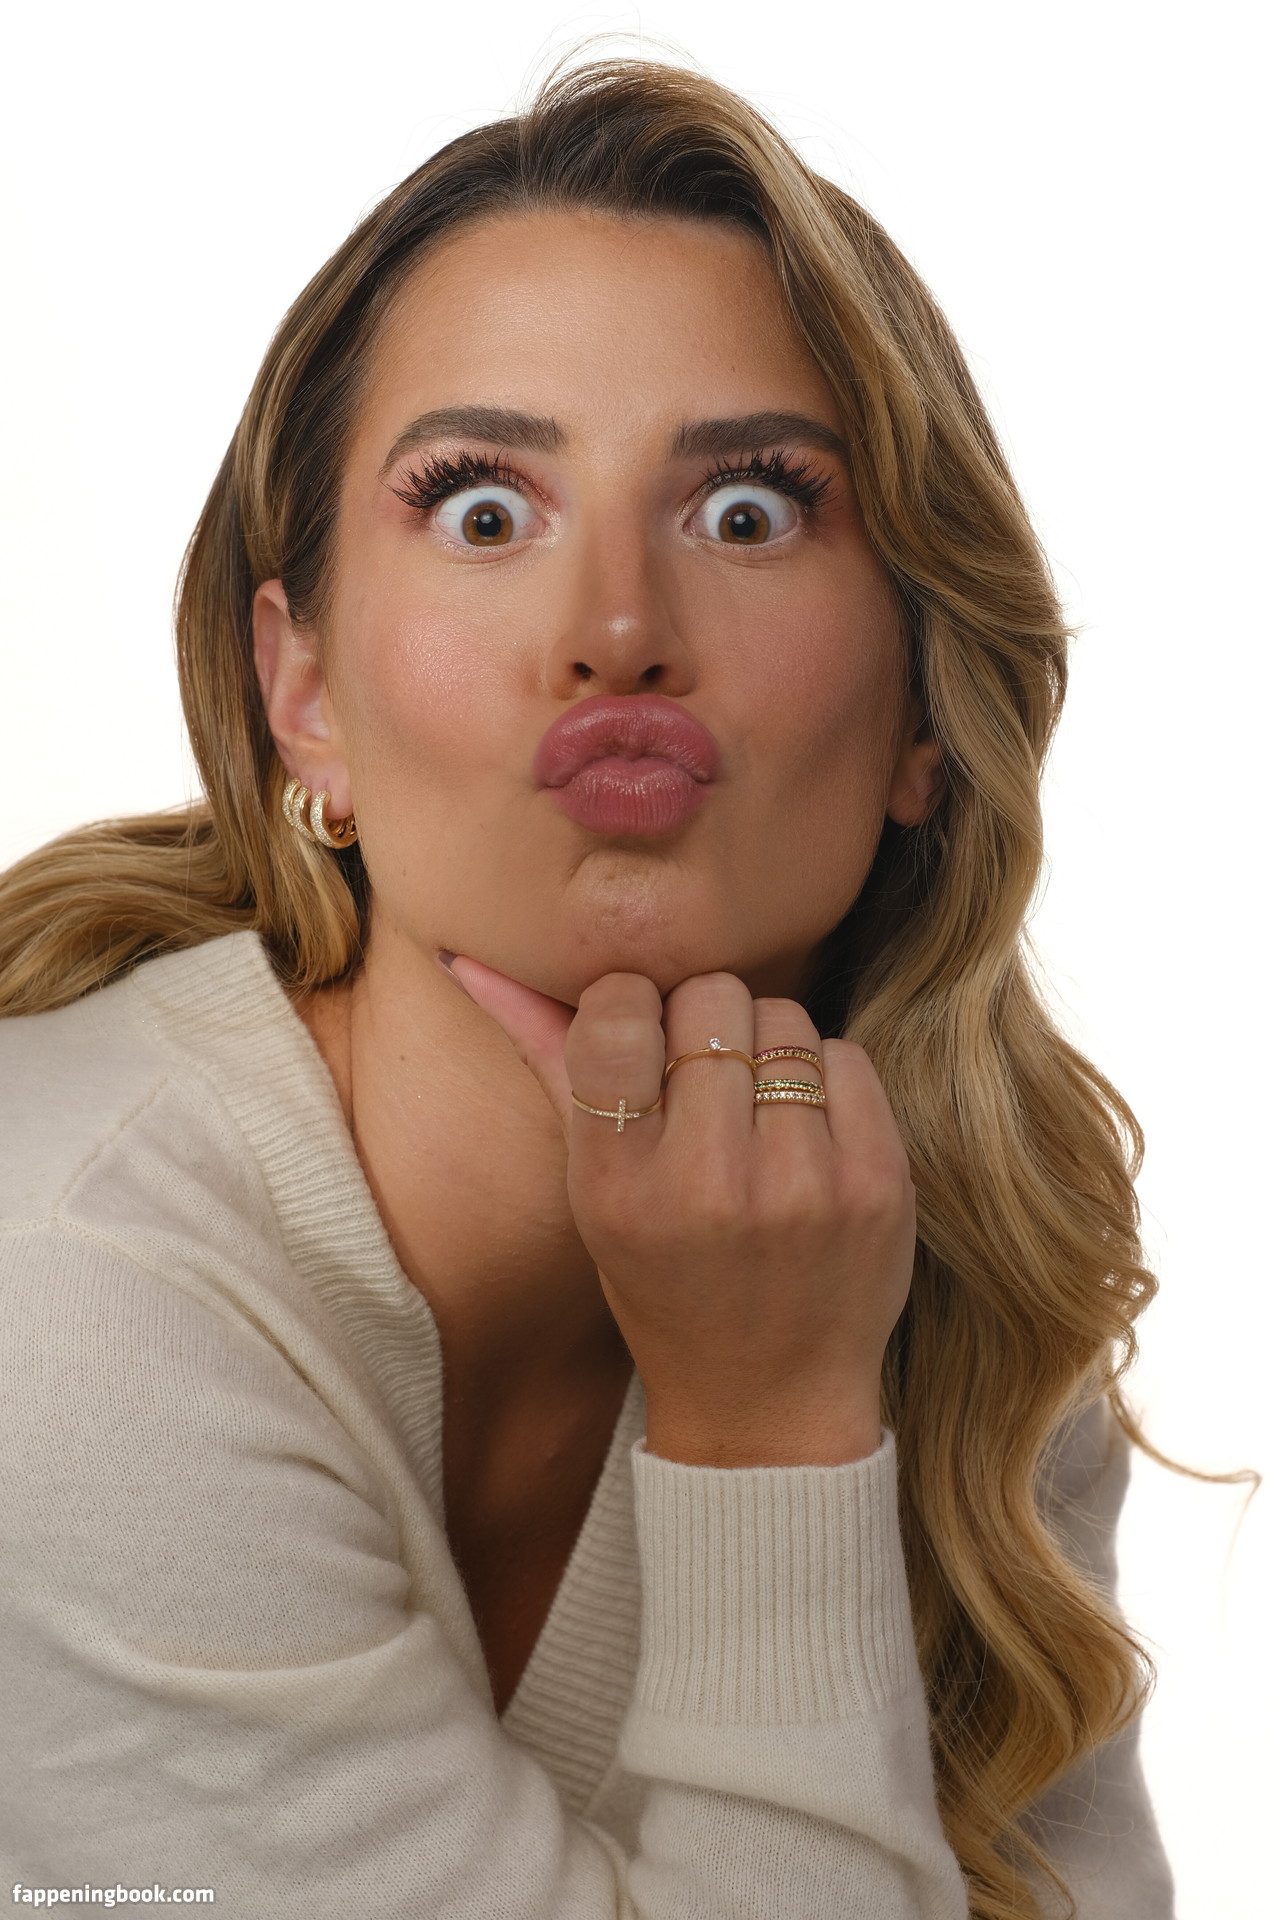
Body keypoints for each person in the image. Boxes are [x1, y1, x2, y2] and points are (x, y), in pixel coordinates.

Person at [0, 56, 1176, 1920]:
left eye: (749, 514)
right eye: (485, 512)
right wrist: (771, 1433)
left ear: (925, 710)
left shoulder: (937, 1258)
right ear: (304, 693)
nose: (619, 630)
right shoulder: (64, 1285)